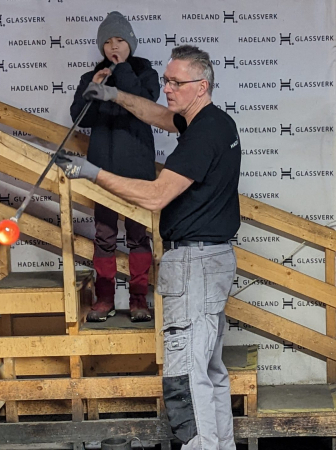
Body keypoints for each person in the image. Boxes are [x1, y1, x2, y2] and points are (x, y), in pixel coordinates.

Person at [55, 45, 240, 450]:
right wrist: (115, 95)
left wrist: (91, 172)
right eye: (167, 80)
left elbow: (156, 196)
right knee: (208, 372)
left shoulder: (203, 135)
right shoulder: (213, 121)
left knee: (186, 377)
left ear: (201, 86)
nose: (167, 88)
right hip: (210, 259)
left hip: (193, 264)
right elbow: (158, 115)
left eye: (176, 82)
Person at [70, 11, 160, 323]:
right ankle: (104, 298)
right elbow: (80, 118)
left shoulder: (145, 72)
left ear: (130, 43)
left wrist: (122, 70)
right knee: (104, 235)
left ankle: (139, 299)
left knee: (138, 236)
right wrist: (93, 91)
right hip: (103, 170)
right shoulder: (92, 76)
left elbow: (145, 106)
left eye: (120, 40)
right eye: (107, 42)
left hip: (137, 170)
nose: (113, 46)